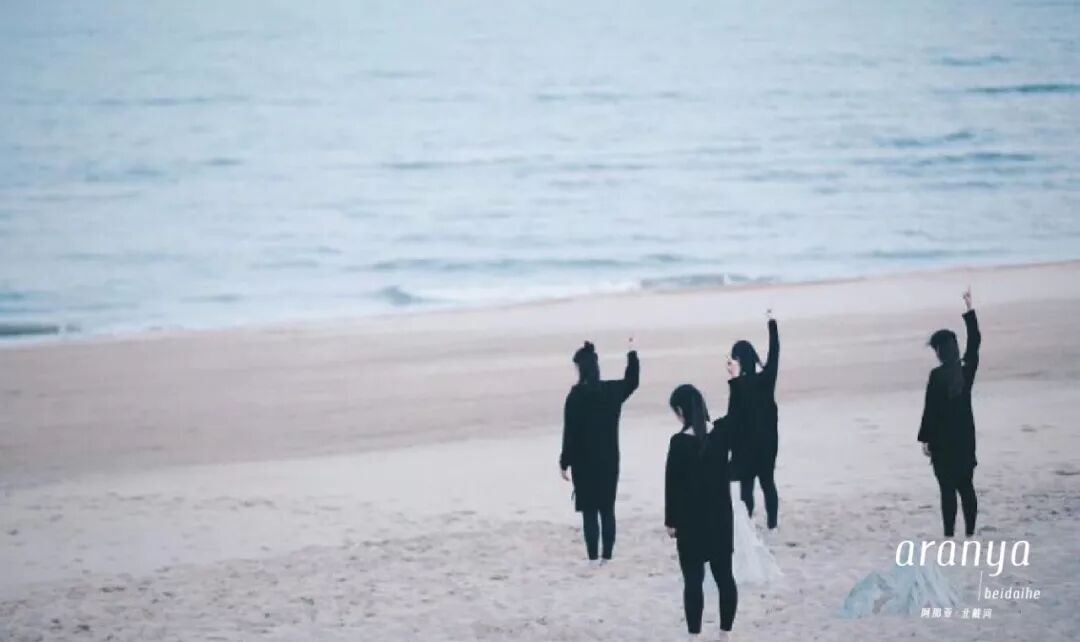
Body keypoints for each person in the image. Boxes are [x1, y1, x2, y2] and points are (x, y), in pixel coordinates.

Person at [665, 383, 738, 640]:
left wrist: (671, 521)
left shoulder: (679, 443)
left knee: (693, 581)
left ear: (680, 411)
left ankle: (694, 636)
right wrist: (736, 379)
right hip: (720, 518)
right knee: (724, 577)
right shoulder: (720, 435)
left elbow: (672, 486)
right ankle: (725, 633)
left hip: (690, 522)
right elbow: (739, 411)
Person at [559, 338, 639, 564]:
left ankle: (593, 557)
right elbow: (632, 381)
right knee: (607, 509)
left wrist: (564, 462)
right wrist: (632, 354)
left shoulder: (575, 396)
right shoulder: (611, 391)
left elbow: (570, 434)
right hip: (609, 460)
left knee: (589, 511)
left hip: (583, 463)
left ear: (581, 368)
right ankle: (607, 556)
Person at [918, 287, 981, 538]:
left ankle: (948, 534)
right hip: (965, 439)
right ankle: (970, 532)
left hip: (943, 443)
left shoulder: (936, 376)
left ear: (939, 351)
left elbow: (930, 410)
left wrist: (925, 439)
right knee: (966, 487)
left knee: (947, 490)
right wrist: (970, 311)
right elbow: (975, 343)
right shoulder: (966, 371)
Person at [728, 309, 781, 530]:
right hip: (768, 442)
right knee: (768, 483)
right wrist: (772, 324)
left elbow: (733, 416)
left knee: (746, 486)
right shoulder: (767, 378)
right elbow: (775, 352)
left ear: (740, 360)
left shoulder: (738, 385)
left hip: (746, 444)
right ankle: (772, 525)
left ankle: (748, 524)